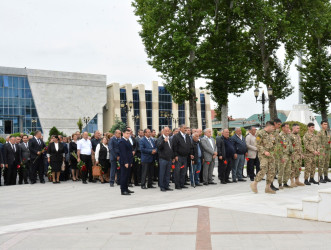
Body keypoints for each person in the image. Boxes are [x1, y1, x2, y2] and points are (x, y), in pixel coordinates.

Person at [250, 121, 277, 194]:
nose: (273, 129)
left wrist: (273, 151)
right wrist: (264, 151)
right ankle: (254, 183)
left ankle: (268, 188)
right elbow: (257, 144)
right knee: (264, 168)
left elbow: (274, 144)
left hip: (271, 155)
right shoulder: (260, 133)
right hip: (263, 155)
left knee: (271, 171)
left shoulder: (271, 134)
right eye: (272, 127)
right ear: (268, 126)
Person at [172, 124, 194, 190]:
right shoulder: (176, 136)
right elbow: (174, 147)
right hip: (179, 156)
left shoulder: (187, 136)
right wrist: (175, 155)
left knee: (183, 171)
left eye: (186, 128)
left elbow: (190, 146)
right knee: (177, 171)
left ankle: (182, 184)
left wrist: (191, 154)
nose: (185, 129)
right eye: (184, 128)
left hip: (185, 156)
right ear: (181, 128)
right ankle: (177, 185)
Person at [157, 127, 174, 191]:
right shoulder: (160, 138)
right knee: (162, 173)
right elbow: (159, 147)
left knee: (168, 173)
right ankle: (162, 186)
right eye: (166, 131)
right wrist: (163, 141)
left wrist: (172, 157)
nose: (167, 132)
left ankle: (166, 186)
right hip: (163, 159)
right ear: (163, 131)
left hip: (169, 158)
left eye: (168, 131)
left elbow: (171, 148)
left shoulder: (170, 138)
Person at [119, 128, 134, 195]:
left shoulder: (127, 140)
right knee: (124, 176)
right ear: (123, 133)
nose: (128, 135)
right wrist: (126, 162)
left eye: (129, 134)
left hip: (129, 161)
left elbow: (130, 152)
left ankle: (126, 188)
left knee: (127, 176)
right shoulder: (122, 141)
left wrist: (130, 162)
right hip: (125, 162)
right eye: (127, 133)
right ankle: (123, 190)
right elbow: (123, 153)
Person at [278, 123, 292, 189]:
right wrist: (281, 157)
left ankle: (285, 182)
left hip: (288, 155)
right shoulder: (280, 136)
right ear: (283, 128)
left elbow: (290, 145)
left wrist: (291, 154)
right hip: (283, 155)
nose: (288, 129)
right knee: (281, 170)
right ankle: (280, 184)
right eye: (287, 127)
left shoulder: (288, 135)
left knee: (288, 170)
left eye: (288, 127)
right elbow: (279, 147)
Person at [270, 119, 282, 191]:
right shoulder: (271, 132)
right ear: (274, 123)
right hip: (271, 154)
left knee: (274, 170)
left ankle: (272, 184)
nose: (279, 126)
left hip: (276, 154)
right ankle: (270, 185)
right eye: (278, 125)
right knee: (271, 170)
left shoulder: (277, 132)